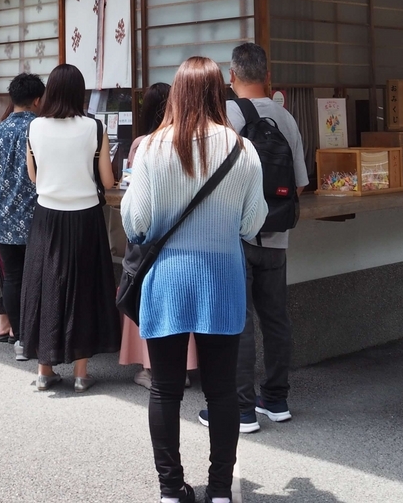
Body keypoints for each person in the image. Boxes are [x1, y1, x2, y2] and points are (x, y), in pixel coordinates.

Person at [122, 57, 266, 503]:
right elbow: (253, 223)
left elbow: (137, 223)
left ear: (179, 94)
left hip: (166, 280)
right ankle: (220, 489)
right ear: (218, 93)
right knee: (222, 391)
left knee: (165, 390)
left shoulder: (149, 148)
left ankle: (170, 489)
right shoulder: (242, 150)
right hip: (222, 279)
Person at [205, 42, 309, 432]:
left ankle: (242, 409)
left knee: (240, 319)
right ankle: (277, 399)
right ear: (268, 75)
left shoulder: (222, 118)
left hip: (235, 236)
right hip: (276, 237)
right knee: (276, 317)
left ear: (231, 77)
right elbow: (299, 184)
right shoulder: (286, 118)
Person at [20, 63, 121, 391]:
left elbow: (34, 177)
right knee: (85, 290)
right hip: (85, 218)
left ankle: (44, 370)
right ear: (80, 93)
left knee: (44, 288)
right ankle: (80, 373)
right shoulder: (94, 127)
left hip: (47, 216)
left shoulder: (35, 128)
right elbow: (107, 181)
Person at [119, 82, 200, 389]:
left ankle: (149, 368)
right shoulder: (187, 141)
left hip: (148, 234)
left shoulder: (142, 143)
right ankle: (185, 365)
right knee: (178, 297)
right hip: (179, 232)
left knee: (144, 294)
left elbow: (132, 195)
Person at [0, 73, 45, 359]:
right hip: (38, 219)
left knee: (13, 278)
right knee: (37, 278)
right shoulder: (41, 130)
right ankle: (34, 334)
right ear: (38, 100)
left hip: (4, 220)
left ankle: (18, 336)